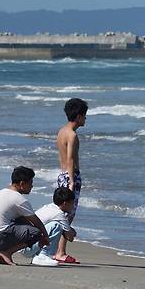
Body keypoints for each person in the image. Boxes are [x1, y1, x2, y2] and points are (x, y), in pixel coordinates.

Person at [0, 166, 50, 265]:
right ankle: (6, 252)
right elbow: (36, 221)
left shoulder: (1, 193)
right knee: (36, 233)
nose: (32, 186)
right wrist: (45, 236)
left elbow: (23, 220)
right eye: (30, 183)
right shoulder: (19, 199)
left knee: (23, 223)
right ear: (22, 184)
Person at [55, 97, 88, 264]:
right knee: (68, 215)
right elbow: (70, 160)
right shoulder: (72, 135)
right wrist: (72, 181)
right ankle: (60, 252)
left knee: (62, 213)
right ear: (79, 116)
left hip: (62, 174)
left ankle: (58, 250)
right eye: (85, 115)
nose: (86, 119)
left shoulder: (61, 131)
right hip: (70, 176)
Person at [20, 187, 77, 266]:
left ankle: (39, 256)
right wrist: (72, 231)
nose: (73, 206)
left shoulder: (49, 207)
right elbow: (70, 237)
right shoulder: (59, 214)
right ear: (65, 203)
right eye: (72, 203)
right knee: (56, 226)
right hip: (27, 247)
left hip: (23, 245)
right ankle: (43, 255)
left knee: (55, 226)